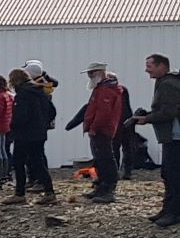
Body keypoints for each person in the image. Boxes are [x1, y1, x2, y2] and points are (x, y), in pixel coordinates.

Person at [132, 53, 180, 227]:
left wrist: (148, 118)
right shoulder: (167, 82)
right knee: (169, 173)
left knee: (172, 174)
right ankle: (168, 210)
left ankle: (173, 213)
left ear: (162, 66)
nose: (146, 70)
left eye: (149, 66)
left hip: (175, 137)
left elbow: (169, 112)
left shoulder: (168, 84)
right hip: (172, 136)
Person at [6, 67, 56, 205]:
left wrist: (12, 128)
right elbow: (52, 111)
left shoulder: (23, 94)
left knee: (18, 162)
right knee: (38, 162)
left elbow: (21, 116)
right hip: (39, 133)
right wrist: (43, 124)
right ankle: (49, 192)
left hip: (24, 134)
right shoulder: (42, 92)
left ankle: (19, 193)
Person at [76, 62, 125, 204]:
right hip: (100, 129)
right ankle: (101, 187)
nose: (89, 76)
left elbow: (103, 113)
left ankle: (108, 189)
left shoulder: (106, 90)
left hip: (102, 130)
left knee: (106, 159)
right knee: (100, 159)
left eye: (91, 73)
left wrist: (93, 127)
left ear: (99, 73)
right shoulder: (102, 88)